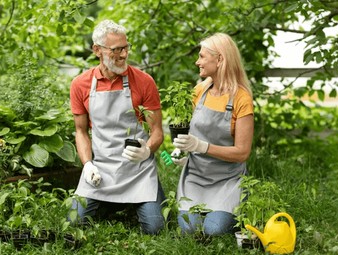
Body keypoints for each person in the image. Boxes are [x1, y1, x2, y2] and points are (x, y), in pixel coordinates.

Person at [69, 19, 165, 235]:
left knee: (155, 228)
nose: (123, 55)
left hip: (138, 170)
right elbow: (81, 131)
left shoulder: (143, 81)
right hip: (101, 169)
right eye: (116, 50)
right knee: (75, 222)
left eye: (125, 48)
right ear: (97, 50)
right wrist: (87, 165)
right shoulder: (80, 84)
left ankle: (137, 200)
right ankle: (121, 203)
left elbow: (157, 132)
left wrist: (147, 150)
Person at [170, 33, 254, 236]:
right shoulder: (199, 91)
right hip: (195, 177)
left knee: (213, 230)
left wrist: (202, 147)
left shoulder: (241, 99)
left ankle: (233, 205)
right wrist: (180, 149)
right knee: (189, 228)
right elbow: (190, 131)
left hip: (227, 180)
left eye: (202, 56)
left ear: (220, 59)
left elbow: (242, 153)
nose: (197, 61)